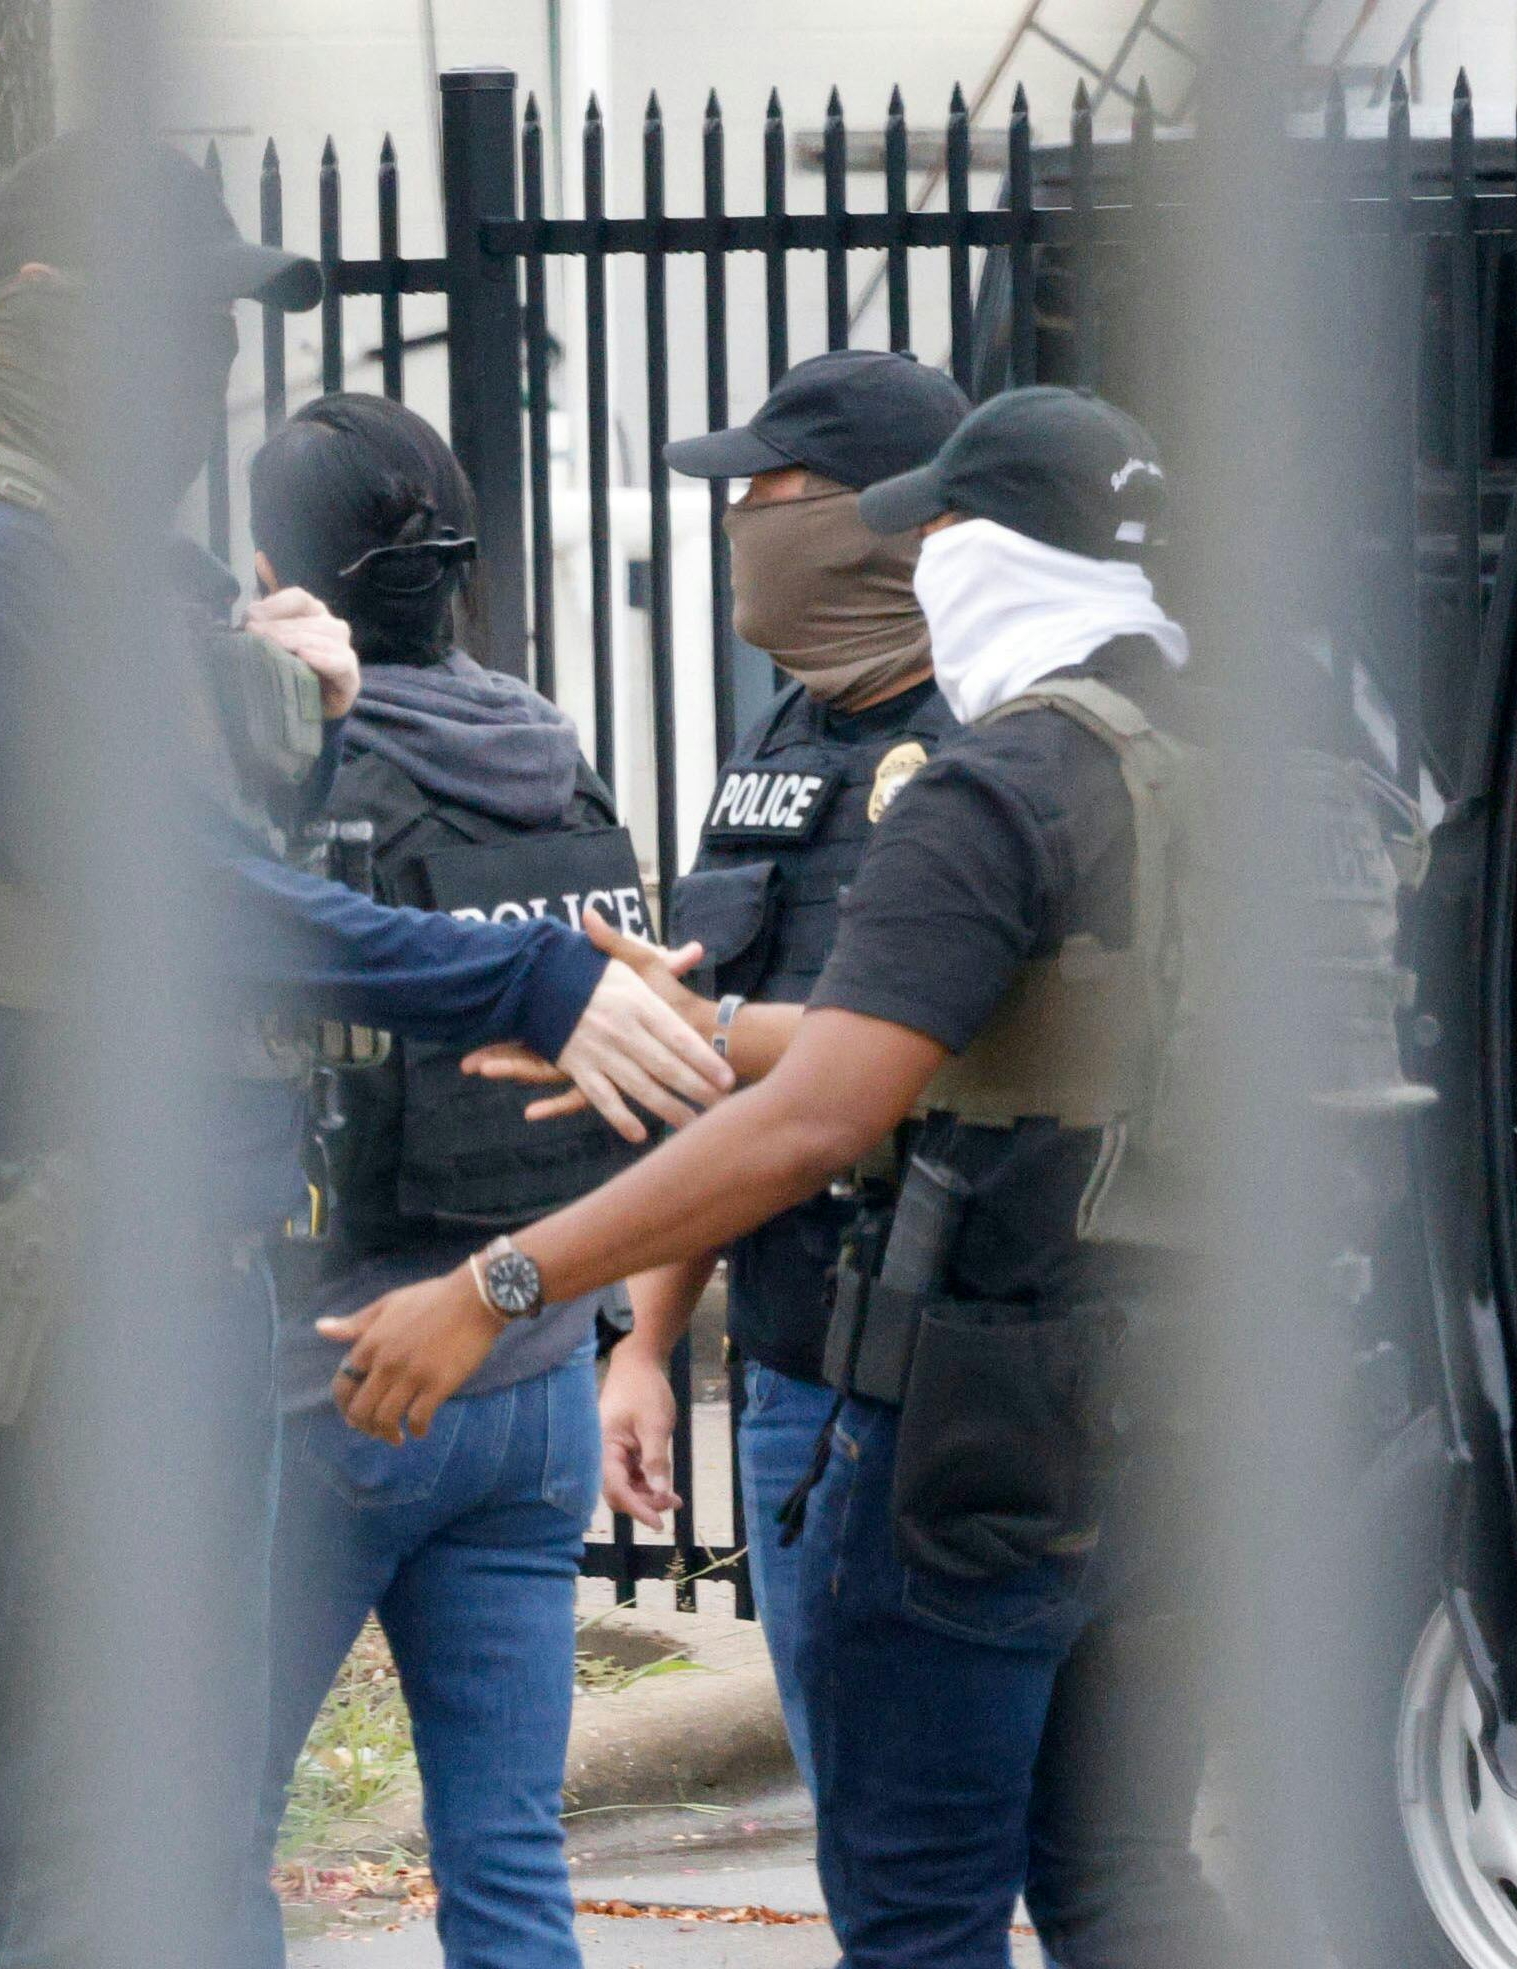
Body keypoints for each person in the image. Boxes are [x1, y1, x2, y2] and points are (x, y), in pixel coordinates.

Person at [0, 137, 729, 1968]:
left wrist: (296, 702)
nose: (202, 366)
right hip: (31, 1263)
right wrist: (524, 990)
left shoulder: (103, 565)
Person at [322, 387, 1237, 1967]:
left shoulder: (994, 787)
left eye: (937, 533)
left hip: (968, 1427)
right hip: (1199, 1413)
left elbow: (826, 1116)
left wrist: (504, 1282)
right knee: (1124, 1879)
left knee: (920, 1915)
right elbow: (999, 1043)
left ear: (985, 551)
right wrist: (708, 1025)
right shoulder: (1219, 764)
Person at [245, 394, 645, 1967]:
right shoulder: (549, 753)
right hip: (535, 1365)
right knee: (507, 1851)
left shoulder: (296, 768)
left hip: (332, 1374)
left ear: (284, 565)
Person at [604, 347, 969, 1779]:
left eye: (773, 488)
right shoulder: (787, 729)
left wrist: (673, 1024)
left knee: (1018, 1841)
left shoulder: (992, 737)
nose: (740, 513)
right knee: (864, 1832)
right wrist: (645, 1340)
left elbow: (882, 1064)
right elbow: (720, 1056)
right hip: (796, 1358)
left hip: (964, 1370)